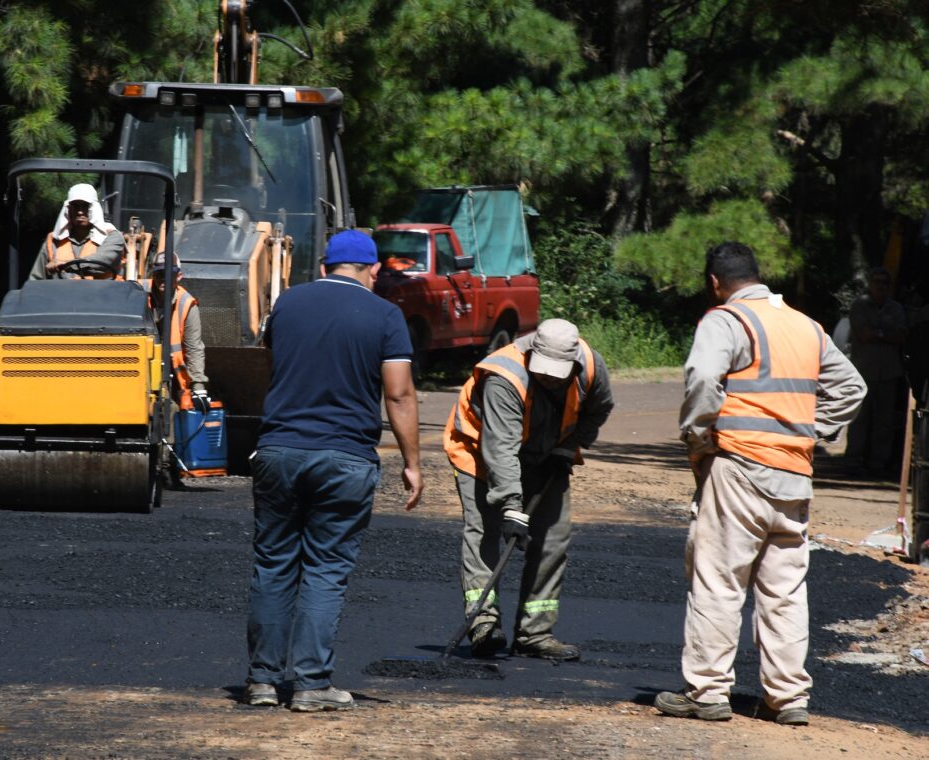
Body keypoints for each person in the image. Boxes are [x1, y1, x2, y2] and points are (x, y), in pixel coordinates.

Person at [655, 242, 865, 725]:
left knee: (719, 579)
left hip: (739, 468)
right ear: (757, 275)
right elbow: (853, 388)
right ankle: (788, 699)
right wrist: (810, 430)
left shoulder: (726, 321)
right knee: (785, 590)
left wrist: (699, 438)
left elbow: (704, 377)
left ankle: (707, 692)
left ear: (715, 283)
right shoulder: (804, 324)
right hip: (794, 475)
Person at [244, 230, 423, 712]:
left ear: (324, 267)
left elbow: (271, 367)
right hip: (344, 457)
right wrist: (412, 463)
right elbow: (399, 394)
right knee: (325, 570)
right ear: (373, 271)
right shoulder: (385, 315)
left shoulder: (287, 305)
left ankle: (262, 680)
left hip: (279, 450)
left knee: (274, 563)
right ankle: (311, 684)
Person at [444, 318, 613, 661]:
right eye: (544, 369)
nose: (549, 376)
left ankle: (534, 633)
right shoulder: (504, 377)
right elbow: (500, 448)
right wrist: (511, 507)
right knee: (484, 534)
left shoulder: (591, 366)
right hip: (480, 452)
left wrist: (570, 446)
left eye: (557, 371)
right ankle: (484, 625)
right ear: (532, 351)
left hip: (547, 455)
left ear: (574, 361)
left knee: (552, 540)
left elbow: (599, 408)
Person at [148, 252, 210, 486]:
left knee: (169, 408)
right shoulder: (137, 293)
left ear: (179, 276)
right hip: (140, 364)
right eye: (158, 273)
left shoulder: (186, 303)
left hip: (167, 369)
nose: (163, 278)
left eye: (169, 273)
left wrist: (199, 385)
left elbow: (194, 347)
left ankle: (164, 467)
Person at [845, 266, 907, 475]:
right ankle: (853, 458)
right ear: (871, 284)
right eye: (877, 282)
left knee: (884, 420)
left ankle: (878, 462)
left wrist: (876, 333)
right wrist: (885, 335)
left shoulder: (896, 308)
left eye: (885, 283)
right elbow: (862, 334)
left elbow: (900, 337)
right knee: (859, 417)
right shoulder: (860, 305)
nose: (881, 286)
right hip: (863, 371)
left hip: (889, 372)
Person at [28, 183, 125, 280]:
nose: (80, 211)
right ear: (68, 209)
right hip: (61, 294)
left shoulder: (112, 237)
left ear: (94, 208)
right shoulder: (54, 241)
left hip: (104, 294)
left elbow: (103, 261)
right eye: (75, 206)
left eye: (85, 206)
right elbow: (35, 280)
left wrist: (66, 264)